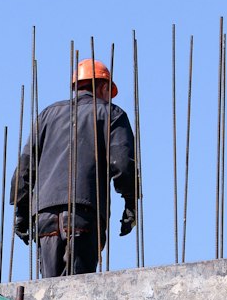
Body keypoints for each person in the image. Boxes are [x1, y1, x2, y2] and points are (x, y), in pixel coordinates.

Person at [11, 59, 138, 278]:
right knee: (78, 290)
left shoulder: (47, 115)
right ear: (104, 86)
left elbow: (25, 167)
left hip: (45, 218)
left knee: (51, 293)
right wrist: (130, 203)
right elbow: (123, 164)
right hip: (83, 215)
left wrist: (21, 212)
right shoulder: (112, 114)